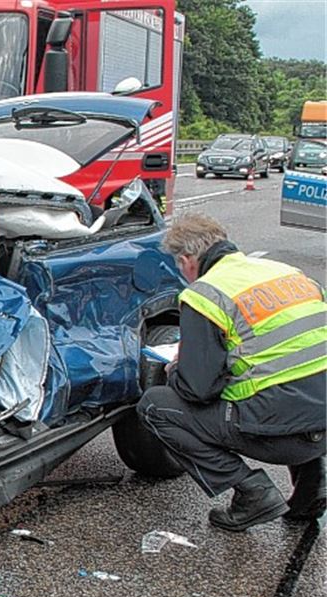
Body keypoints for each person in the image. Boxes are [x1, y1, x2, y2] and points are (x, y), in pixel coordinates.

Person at [138, 214, 326, 531]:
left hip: (279, 435)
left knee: (156, 405)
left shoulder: (206, 294)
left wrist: (176, 369)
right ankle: (313, 486)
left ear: (185, 260)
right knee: (299, 380)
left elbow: (199, 390)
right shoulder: (287, 273)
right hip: (321, 430)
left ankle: (252, 492)